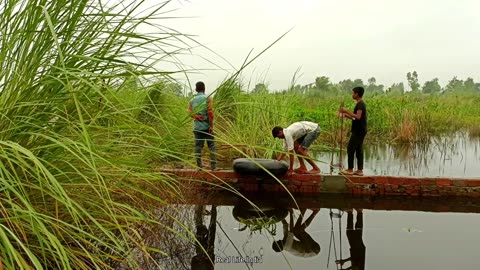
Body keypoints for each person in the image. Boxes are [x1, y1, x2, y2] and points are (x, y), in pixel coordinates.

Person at [339, 86, 367, 176]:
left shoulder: (360, 104)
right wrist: (346, 116)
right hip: (360, 130)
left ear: (357, 94)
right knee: (359, 149)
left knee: (350, 148)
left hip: (359, 131)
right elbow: (356, 119)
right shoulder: (359, 104)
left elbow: (358, 116)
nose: (352, 94)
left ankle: (350, 170)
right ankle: (359, 170)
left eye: (353, 93)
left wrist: (346, 111)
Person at [188, 81, 216, 171]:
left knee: (198, 147)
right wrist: (211, 126)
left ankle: (199, 167)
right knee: (211, 146)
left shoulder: (191, 101)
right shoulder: (208, 98)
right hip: (207, 127)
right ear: (204, 89)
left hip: (197, 128)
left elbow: (189, 113)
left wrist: (196, 116)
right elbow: (210, 113)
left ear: (196, 90)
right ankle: (213, 167)